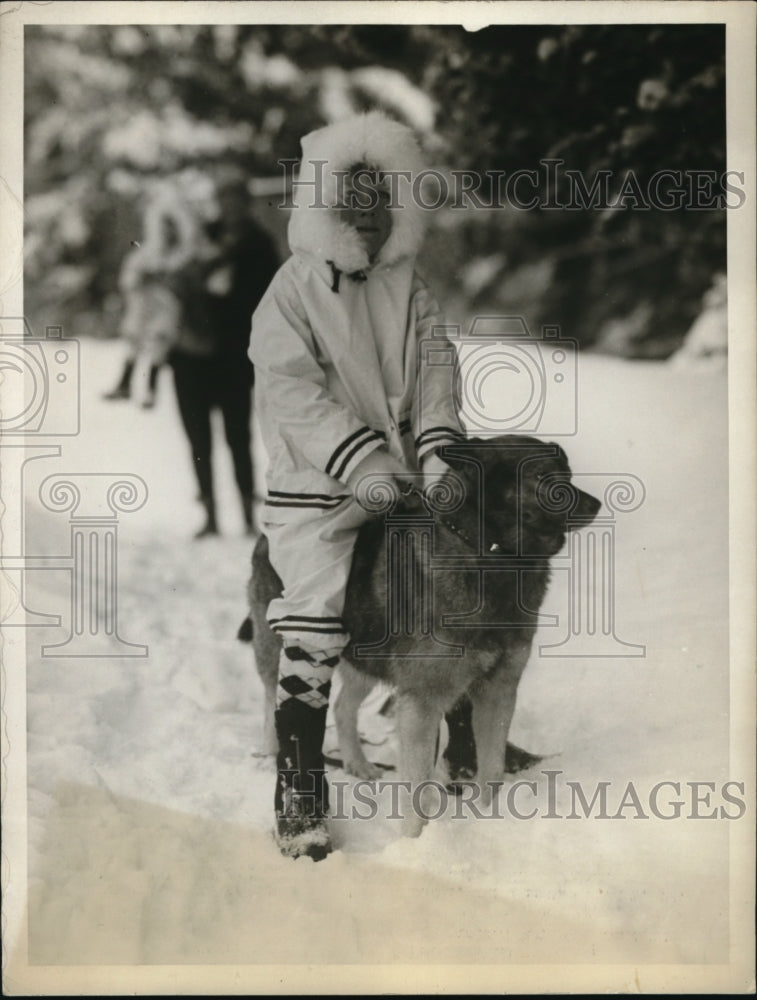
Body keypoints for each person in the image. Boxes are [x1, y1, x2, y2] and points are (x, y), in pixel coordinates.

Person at [249, 112, 463, 859]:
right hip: (320, 487)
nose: (368, 213)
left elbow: (436, 366)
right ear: (324, 202)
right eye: (353, 197)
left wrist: (436, 450)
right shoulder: (291, 289)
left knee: (452, 588)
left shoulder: (410, 284)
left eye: (381, 197)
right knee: (314, 618)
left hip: (405, 477)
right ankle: (300, 788)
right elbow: (290, 390)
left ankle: (463, 744)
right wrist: (363, 462)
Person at [168, 175, 280, 537]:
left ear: (246, 203)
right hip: (191, 358)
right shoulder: (198, 239)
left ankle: (247, 514)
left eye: (236, 199)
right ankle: (210, 514)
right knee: (198, 438)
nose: (229, 206)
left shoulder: (261, 245)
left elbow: (270, 301)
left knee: (238, 437)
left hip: (234, 356)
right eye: (224, 198)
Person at [104, 187, 197, 408]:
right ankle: (125, 384)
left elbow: (185, 284)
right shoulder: (145, 254)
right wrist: (141, 281)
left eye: (172, 228)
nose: (168, 233)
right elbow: (128, 278)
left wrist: (165, 282)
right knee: (134, 344)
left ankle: (150, 392)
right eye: (164, 228)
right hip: (143, 308)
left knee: (158, 347)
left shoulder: (183, 257)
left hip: (167, 310)